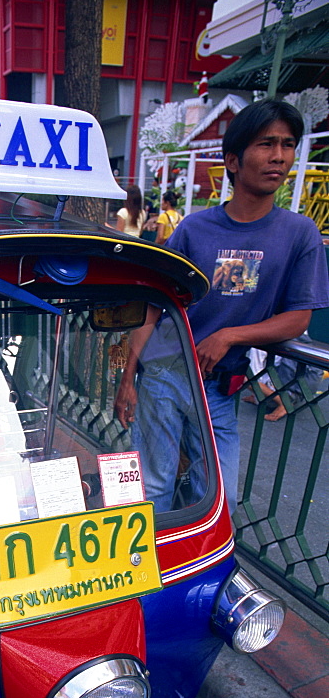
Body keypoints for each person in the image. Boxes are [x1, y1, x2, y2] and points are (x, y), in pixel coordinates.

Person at [115, 98, 329, 516]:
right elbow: (155, 306)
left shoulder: (299, 234)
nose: (279, 157)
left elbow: (299, 317)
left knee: (220, 497)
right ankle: (153, 573)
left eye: (288, 145)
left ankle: (196, 569)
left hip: (219, 384)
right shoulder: (195, 228)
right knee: (152, 488)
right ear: (233, 160)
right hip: (164, 373)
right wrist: (128, 377)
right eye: (266, 144)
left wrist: (230, 335)